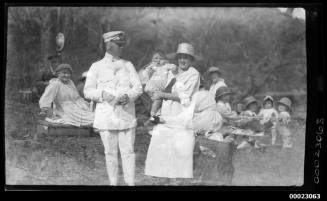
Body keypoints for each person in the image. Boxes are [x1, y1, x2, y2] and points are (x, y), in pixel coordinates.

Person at [84, 31, 142, 186]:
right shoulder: (96, 67)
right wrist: (102, 94)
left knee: (128, 152)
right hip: (106, 117)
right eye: (118, 45)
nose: (121, 48)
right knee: (110, 153)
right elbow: (87, 91)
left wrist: (128, 96)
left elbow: (138, 87)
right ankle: (113, 184)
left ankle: (130, 184)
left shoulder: (128, 65)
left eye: (122, 45)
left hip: (126, 116)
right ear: (109, 45)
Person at [144, 42, 200, 182]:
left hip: (182, 117)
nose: (182, 60)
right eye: (180, 57)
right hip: (167, 115)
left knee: (179, 155)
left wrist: (162, 95)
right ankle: (160, 179)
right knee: (159, 149)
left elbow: (185, 97)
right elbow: (162, 88)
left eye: (186, 58)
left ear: (191, 60)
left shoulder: (193, 74)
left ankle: (177, 181)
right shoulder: (172, 72)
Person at [143, 51, 178, 123]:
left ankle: (156, 116)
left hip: (160, 89)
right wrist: (150, 69)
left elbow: (174, 67)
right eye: (156, 58)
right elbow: (145, 74)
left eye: (160, 58)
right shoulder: (152, 67)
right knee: (158, 100)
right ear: (152, 60)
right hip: (152, 88)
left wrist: (166, 63)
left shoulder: (165, 66)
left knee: (158, 102)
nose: (158, 60)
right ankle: (153, 115)